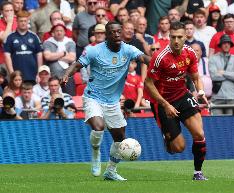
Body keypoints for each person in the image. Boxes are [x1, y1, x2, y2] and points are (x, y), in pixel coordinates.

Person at [62, 21, 150, 181]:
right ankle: (96, 152)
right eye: (112, 32)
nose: (116, 34)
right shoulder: (94, 51)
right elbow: (77, 65)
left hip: (113, 102)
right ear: (106, 35)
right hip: (93, 97)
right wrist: (67, 73)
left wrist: (161, 64)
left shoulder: (128, 49)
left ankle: (110, 171)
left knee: (120, 138)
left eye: (118, 31)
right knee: (98, 127)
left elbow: (144, 58)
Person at [144, 21, 209, 180]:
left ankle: (198, 173)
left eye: (179, 37)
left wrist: (200, 91)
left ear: (186, 36)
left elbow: (195, 77)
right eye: (173, 37)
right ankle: (168, 138)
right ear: (169, 37)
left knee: (199, 134)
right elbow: (148, 83)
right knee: (178, 148)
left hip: (182, 95)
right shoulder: (160, 57)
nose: (176, 40)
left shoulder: (190, 53)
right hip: (162, 101)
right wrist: (165, 105)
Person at [4, 10, 43, 83]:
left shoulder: (34, 36)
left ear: (28, 21)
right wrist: (12, 74)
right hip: (17, 78)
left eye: (25, 21)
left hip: (32, 75)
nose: (23, 23)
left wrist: (39, 73)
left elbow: (39, 55)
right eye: (21, 21)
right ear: (17, 21)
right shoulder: (10, 37)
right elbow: (7, 56)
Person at [209, 34, 234, 115]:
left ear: (230, 45)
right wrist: (230, 75)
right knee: (217, 123)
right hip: (217, 97)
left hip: (231, 97)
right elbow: (213, 76)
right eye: (224, 43)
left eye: (228, 43)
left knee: (231, 123)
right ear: (220, 45)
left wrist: (223, 73)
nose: (226, 45)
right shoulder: (213, 58)